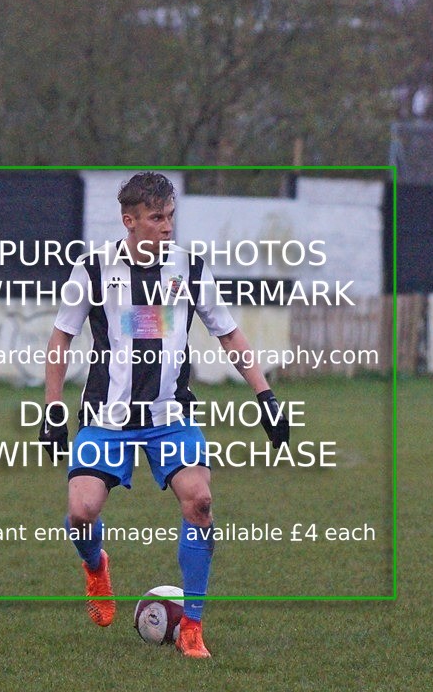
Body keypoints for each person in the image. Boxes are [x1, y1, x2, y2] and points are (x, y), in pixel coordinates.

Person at [39, 172, 289, 658]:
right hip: (106, 418)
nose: (167, 227)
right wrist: (52, 408)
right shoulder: (92, 270)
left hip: (170, 416)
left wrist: (265, 395)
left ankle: (192, 625)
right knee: (81, 511)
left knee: (200, 502)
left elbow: (229, 334)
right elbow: (61, 337)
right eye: (156, 218)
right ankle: (96, 568)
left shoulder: (191, 270)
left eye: (171, 216)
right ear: (129, 221)